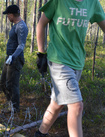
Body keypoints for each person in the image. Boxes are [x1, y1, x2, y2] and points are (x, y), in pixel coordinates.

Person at [35, 0, 105, 136]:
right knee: (76, 106)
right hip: (58, 60)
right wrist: (41, 52)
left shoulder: (93, 3)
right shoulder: (58, 1)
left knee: (57, 103)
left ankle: (40, 133)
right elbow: (41, 24)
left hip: (77, 61)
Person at [0, 5, 28, 112]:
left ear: (11, 15)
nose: (7, 17)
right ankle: (9, 102)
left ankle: (14, 108)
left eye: (8, 15)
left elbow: (21, 45)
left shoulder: (21, 26)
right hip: (9, 58)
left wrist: (13, 56)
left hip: (15, 59)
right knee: (2, 82)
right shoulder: (15, 25)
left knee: (12, 84)